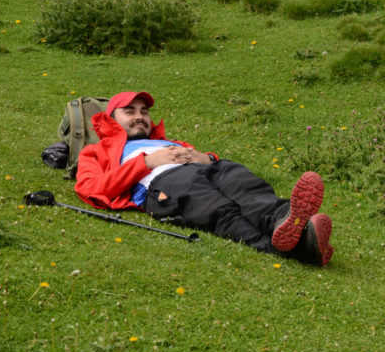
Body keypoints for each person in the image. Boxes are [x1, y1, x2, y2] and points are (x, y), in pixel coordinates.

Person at [74, 90, 333, 266]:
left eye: (144, 111)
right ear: (110, 119)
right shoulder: (97, 151)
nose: (140, 116)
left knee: (244, 185)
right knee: (219, 209)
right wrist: (148, 162)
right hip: (163, 183)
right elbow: (90, 187)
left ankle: (284, 219)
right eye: (129, 111)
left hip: (204, 167)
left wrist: (206, 158)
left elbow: (205, 158)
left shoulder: (167, 140)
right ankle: (299, 246)